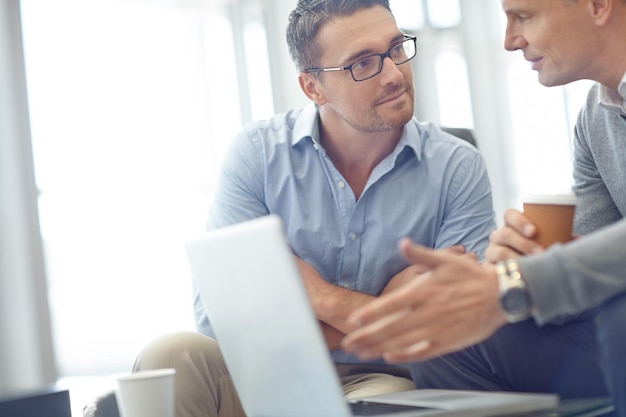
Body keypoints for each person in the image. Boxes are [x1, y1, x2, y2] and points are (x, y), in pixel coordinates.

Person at [130, 1, 495, 416]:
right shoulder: (257, 155)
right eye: (362, 63)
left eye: (396, 48)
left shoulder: (457, 166)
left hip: (377, 378)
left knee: (389, 403)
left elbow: (455, 319)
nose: (394, 74)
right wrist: (375, 312)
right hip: (257, 373)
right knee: (171, 355)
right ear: (313, 88)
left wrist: (308, 292)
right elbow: (224, 320)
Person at [342, 0, 626, 415]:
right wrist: (523, 260)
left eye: (524, 16)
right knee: (444, 333)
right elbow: (586, 282)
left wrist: (518, 281)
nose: (510, 41)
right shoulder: (595, 118)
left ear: (598, 6)